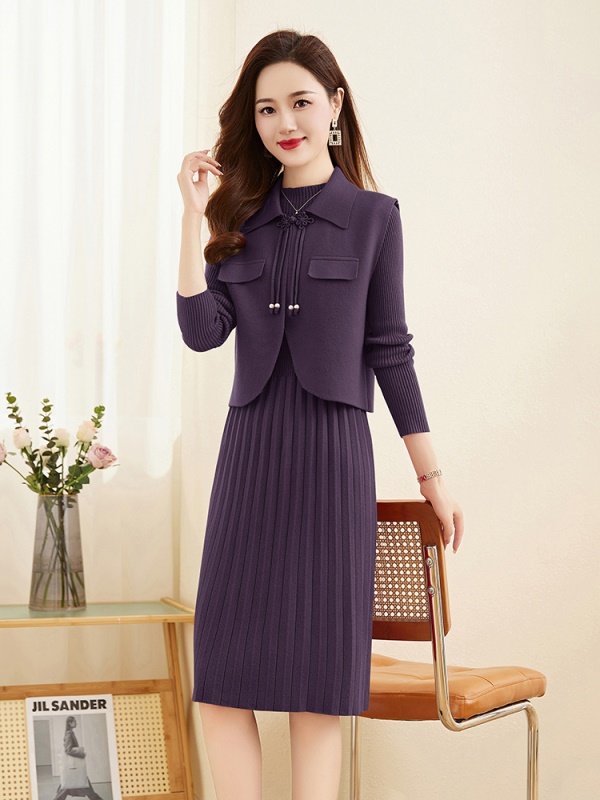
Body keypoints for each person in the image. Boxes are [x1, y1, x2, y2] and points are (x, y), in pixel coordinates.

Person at [176, 28, 464, 800]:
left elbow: (391, 352)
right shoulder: (238, 216)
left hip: (331, 461)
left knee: (316, 691)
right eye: (266, 108)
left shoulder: (375, 218)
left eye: (300, 102)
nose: (284, 122)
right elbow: (201, 331)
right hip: (249, 458)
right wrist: (193, 218)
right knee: (222, 681)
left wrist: (431, 478)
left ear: (334, 105)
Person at [50, 716, 103, 800]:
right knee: (77, 784)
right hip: (73, 767)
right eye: (74, 721)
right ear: (70, 723)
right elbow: (68, 750)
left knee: (69, 785)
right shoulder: (69, 734)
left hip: (73, 768)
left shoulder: (71, 733)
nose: (76, 723)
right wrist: (81, 754)